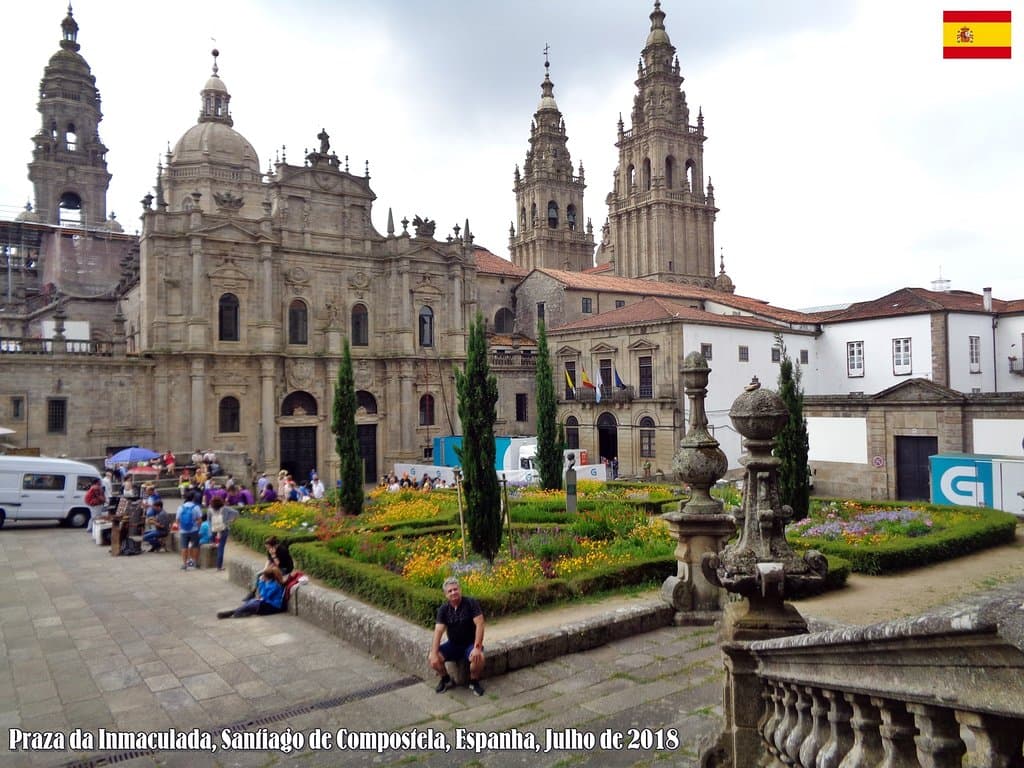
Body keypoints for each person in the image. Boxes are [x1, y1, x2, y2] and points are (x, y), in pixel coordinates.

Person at [428, 576, 486, 696]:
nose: (453, 592)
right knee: (433, 659)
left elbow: (480, 624)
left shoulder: (471, 603)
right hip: (453, 645)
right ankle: (446, 680)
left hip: (470, 644)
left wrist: (477, 647)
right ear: (446, 595)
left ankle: (474, 681)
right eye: (450, 591)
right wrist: (434, 653)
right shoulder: (443, 610)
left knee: (479, 657)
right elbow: (438, 631)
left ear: (460, 590)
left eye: (455, 589)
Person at [217, 566, 285, 618]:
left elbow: (263, 595)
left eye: (264, 576)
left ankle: (233, 612)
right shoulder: (269, 583)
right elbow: (262, 595)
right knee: (251, 602)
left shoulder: (275, 586)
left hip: (274, 607)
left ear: (268, 577)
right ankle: (236, 612)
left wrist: (262, 583)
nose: (262, 577)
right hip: (267, 602)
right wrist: (262, 583)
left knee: (254, 604)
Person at [211, 496, 240, 571]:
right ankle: (219, 566)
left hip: (214, 530)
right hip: (224, 529)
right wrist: (231, 520)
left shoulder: (210, 510)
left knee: (215, 545)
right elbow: (236, 513)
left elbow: (208, 521)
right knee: (221, 547)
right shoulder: (225, 508)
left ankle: (214, 562)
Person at [177, 491, 202, 570]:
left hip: (183, 531)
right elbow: (200, 520)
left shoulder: (180, 507)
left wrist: (180, 527)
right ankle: (194, 563)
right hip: (194, 530)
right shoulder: (196, 507)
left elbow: (177, 520)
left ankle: (184, 564)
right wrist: (197, 526)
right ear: (193, 498)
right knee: (195, 546)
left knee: (184, 547)